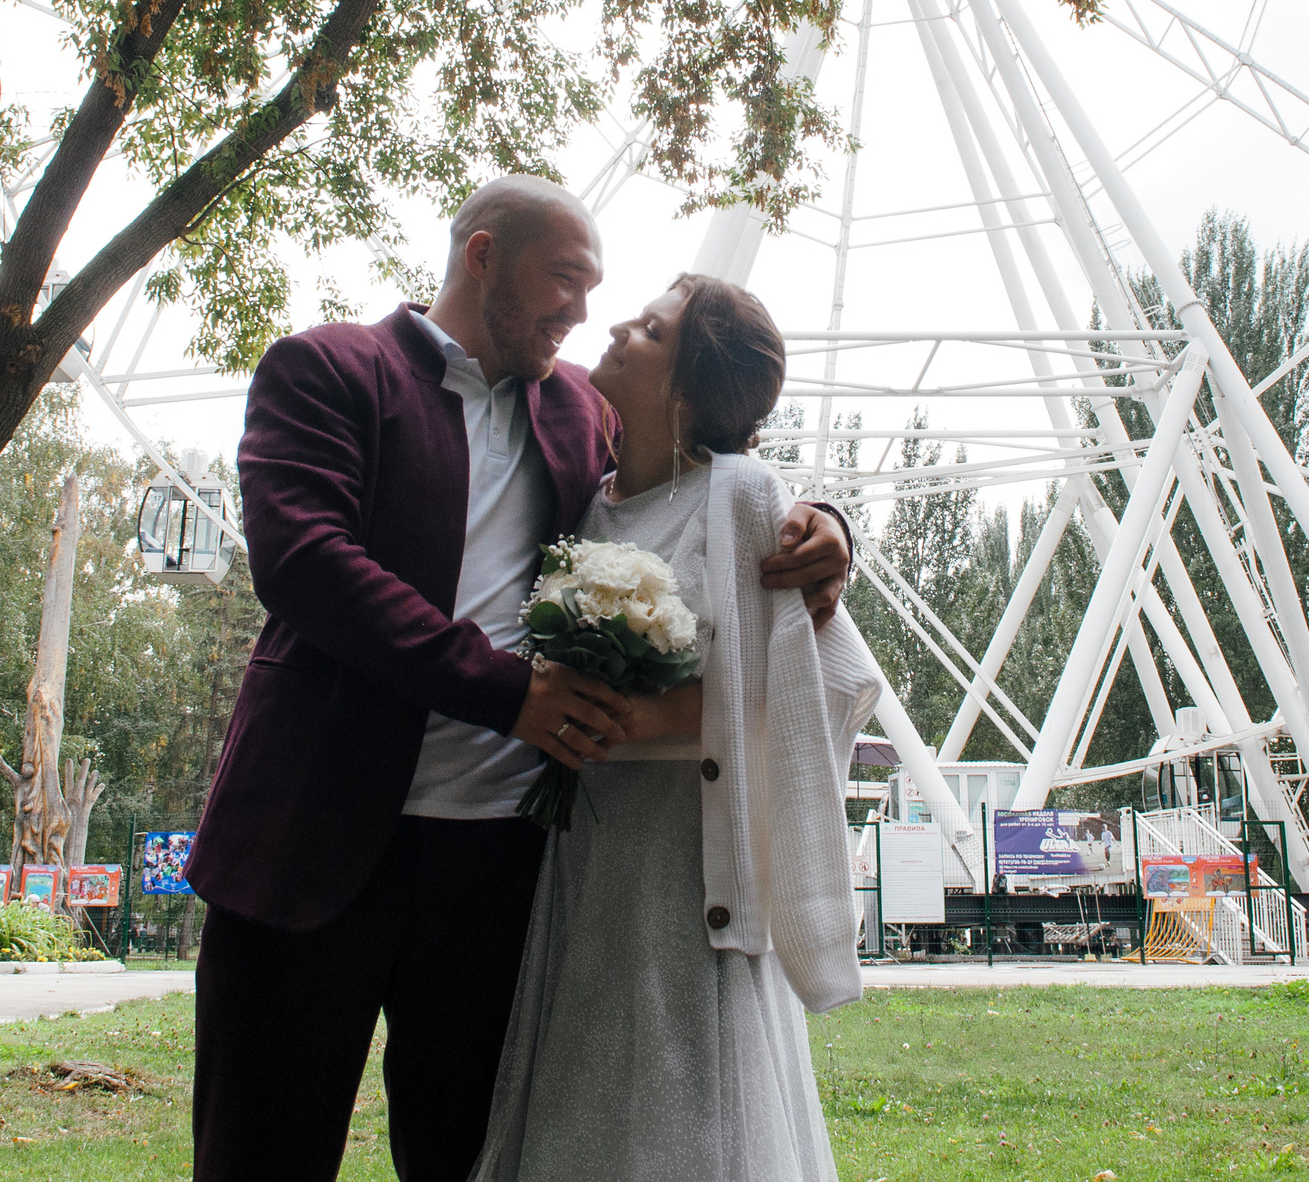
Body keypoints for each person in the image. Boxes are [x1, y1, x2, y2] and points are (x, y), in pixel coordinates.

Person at [184, 177, 854, 1182]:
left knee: (467, 1157)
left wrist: (831, 524)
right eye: (566, 279)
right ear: (483, 254)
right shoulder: (328, 369)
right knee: (260, 1154)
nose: (584, 313)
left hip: (494, 869)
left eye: (598, 293)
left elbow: (706, 465)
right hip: (309, 841)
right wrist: (508, 693)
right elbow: (305, 563)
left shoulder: (574, 414)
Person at [472, 275, 879, 1182]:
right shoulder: (593, 504)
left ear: (688, 389)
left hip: (687, 861)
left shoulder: (740, 493)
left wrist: (634, 713)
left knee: (686, 1088)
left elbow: (800, 680)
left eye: (651, 330)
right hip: (592, 848)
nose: (617, 327)